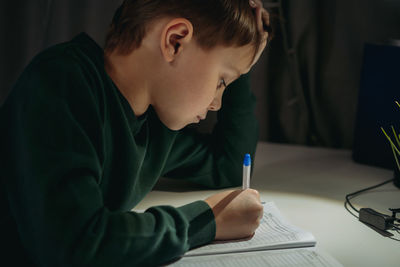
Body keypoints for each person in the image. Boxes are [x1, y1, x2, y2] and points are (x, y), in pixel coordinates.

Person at [0, 0, 271, 266]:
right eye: (222, 81)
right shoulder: (60, 84)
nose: (216, 104)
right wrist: (209, 219)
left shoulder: (153, 124)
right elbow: (74, 243)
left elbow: (229, 165)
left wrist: (241, 62)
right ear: (175, 41)